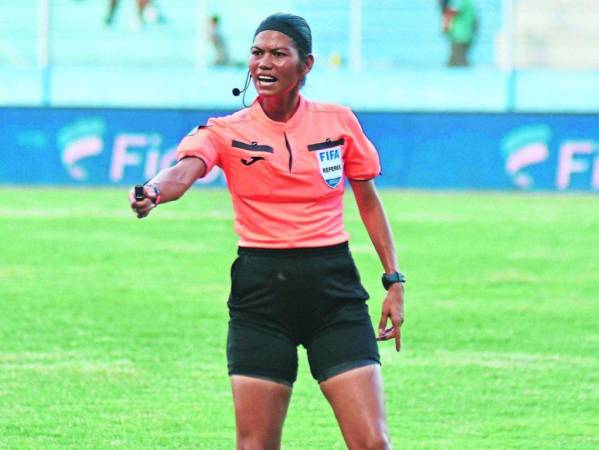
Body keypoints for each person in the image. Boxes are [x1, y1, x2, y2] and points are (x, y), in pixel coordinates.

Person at [129, 13, 405, 450]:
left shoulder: (338, 122)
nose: (264, 63)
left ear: (306, 65)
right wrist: (153, 192)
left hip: (334, 292)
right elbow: (184, 172)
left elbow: (368, 201)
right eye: (257, 53)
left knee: (373, 443)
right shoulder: (226, 130)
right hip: (261, 298)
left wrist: (394, 279)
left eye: (279, 54)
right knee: (256, 446)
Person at [441, 0, 478, 67]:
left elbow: (453, 12)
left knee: (460, 61)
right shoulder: (465, 3)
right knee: (453, 62)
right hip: (459, 36)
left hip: (460, 37)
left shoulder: (464, 2)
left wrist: (444, 7)